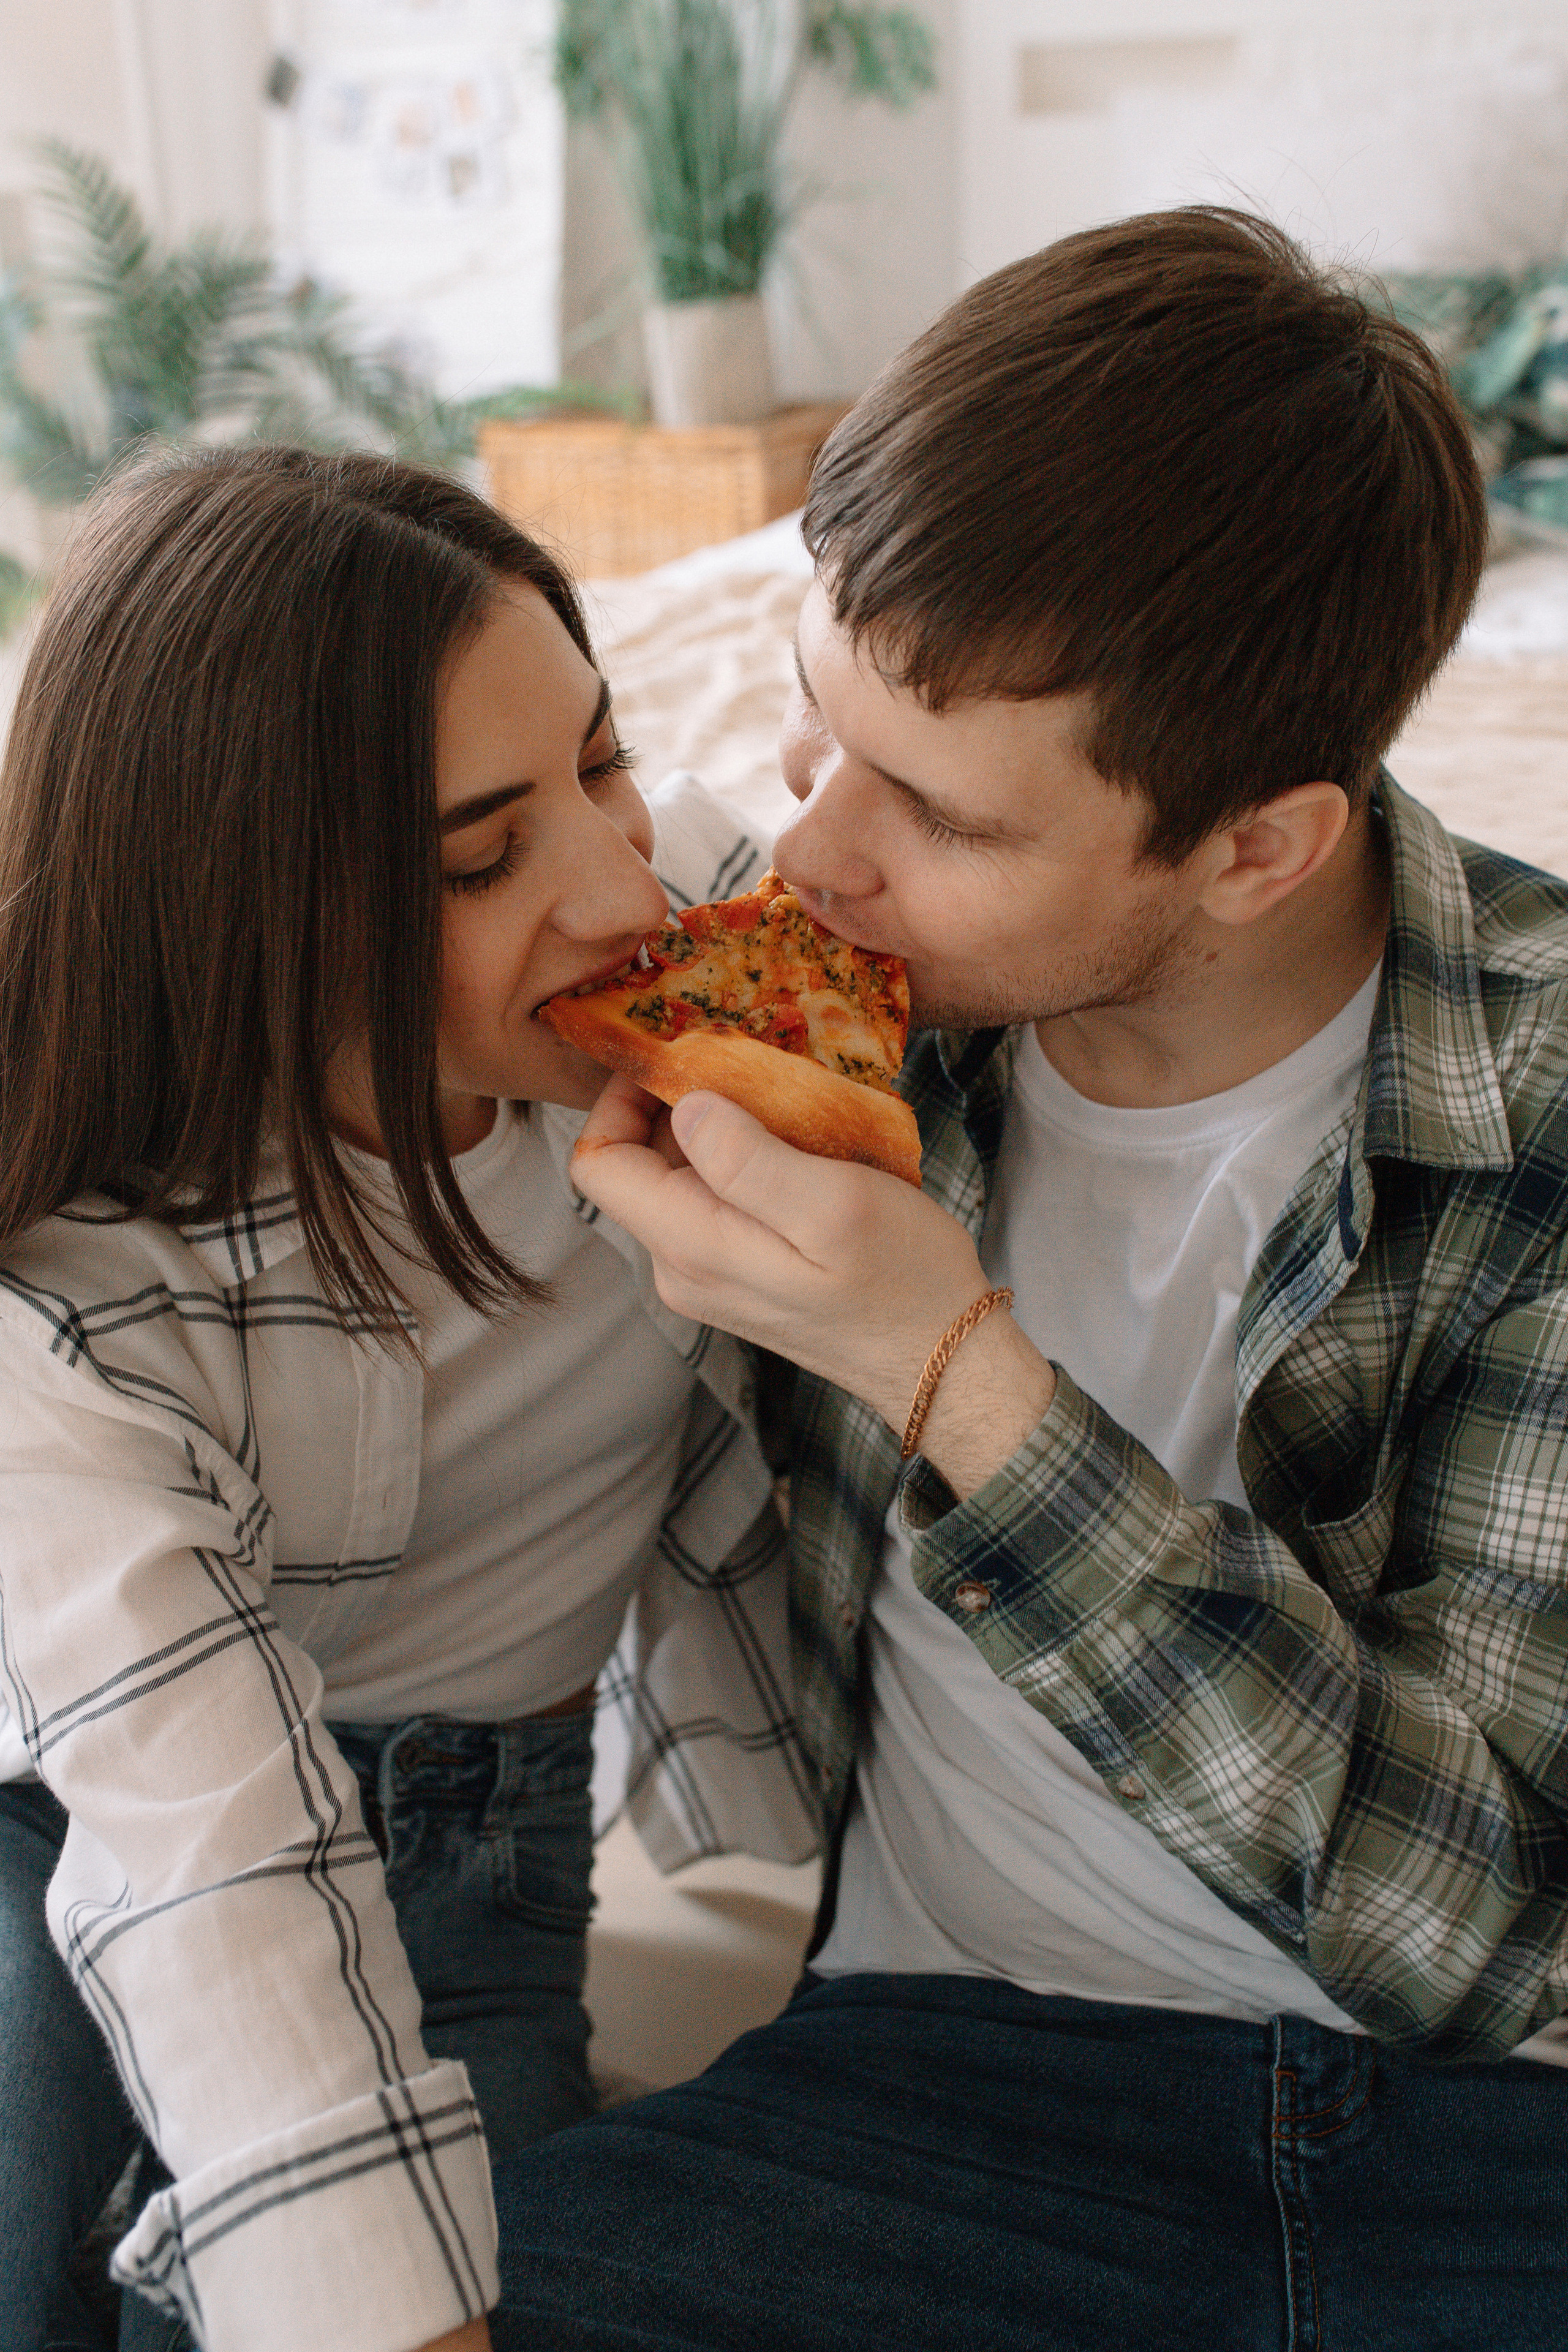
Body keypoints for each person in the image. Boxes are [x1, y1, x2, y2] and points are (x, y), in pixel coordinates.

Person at [486, 209, 1568, 2349]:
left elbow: (1472, 1939)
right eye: (817, 725)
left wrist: (941, 1364)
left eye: (943, 819)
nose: (809, 859)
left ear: (1262, 846)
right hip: (932, 2084)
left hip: (1491, 2149)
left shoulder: (1540, 1105)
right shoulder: (805, 977)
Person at [0, 447, 809, 2352]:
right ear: (250, 904)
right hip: (78, 1829)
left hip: (475, 1853)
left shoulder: (715, 942)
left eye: (603, 761)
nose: (620, 884)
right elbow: (208, 1848)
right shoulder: (70, 1279)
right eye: (479, 853)